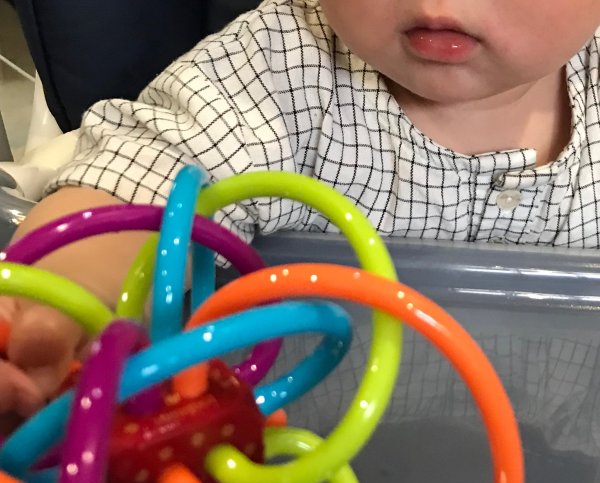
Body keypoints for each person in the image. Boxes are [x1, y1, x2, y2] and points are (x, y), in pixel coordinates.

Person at [1, 0, 599, 418]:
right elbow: (145, 179)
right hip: (293, 466)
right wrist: (55, 301)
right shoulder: (282, 62)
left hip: (547, 480)